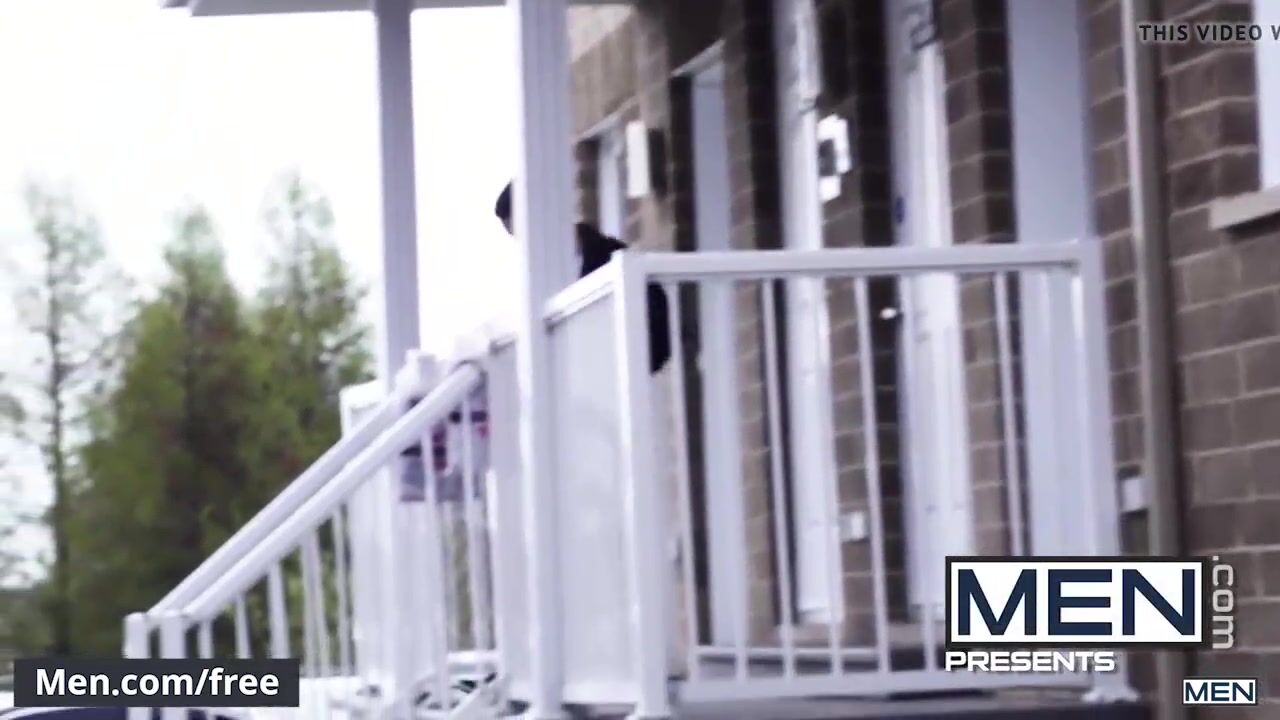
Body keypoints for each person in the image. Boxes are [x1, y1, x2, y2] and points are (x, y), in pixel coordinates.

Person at [493, 181, 671, 374]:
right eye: (518, 237)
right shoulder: (537, 283)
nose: (526, 243)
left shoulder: (613, 258)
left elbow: (658, 337)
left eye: (526, 232)